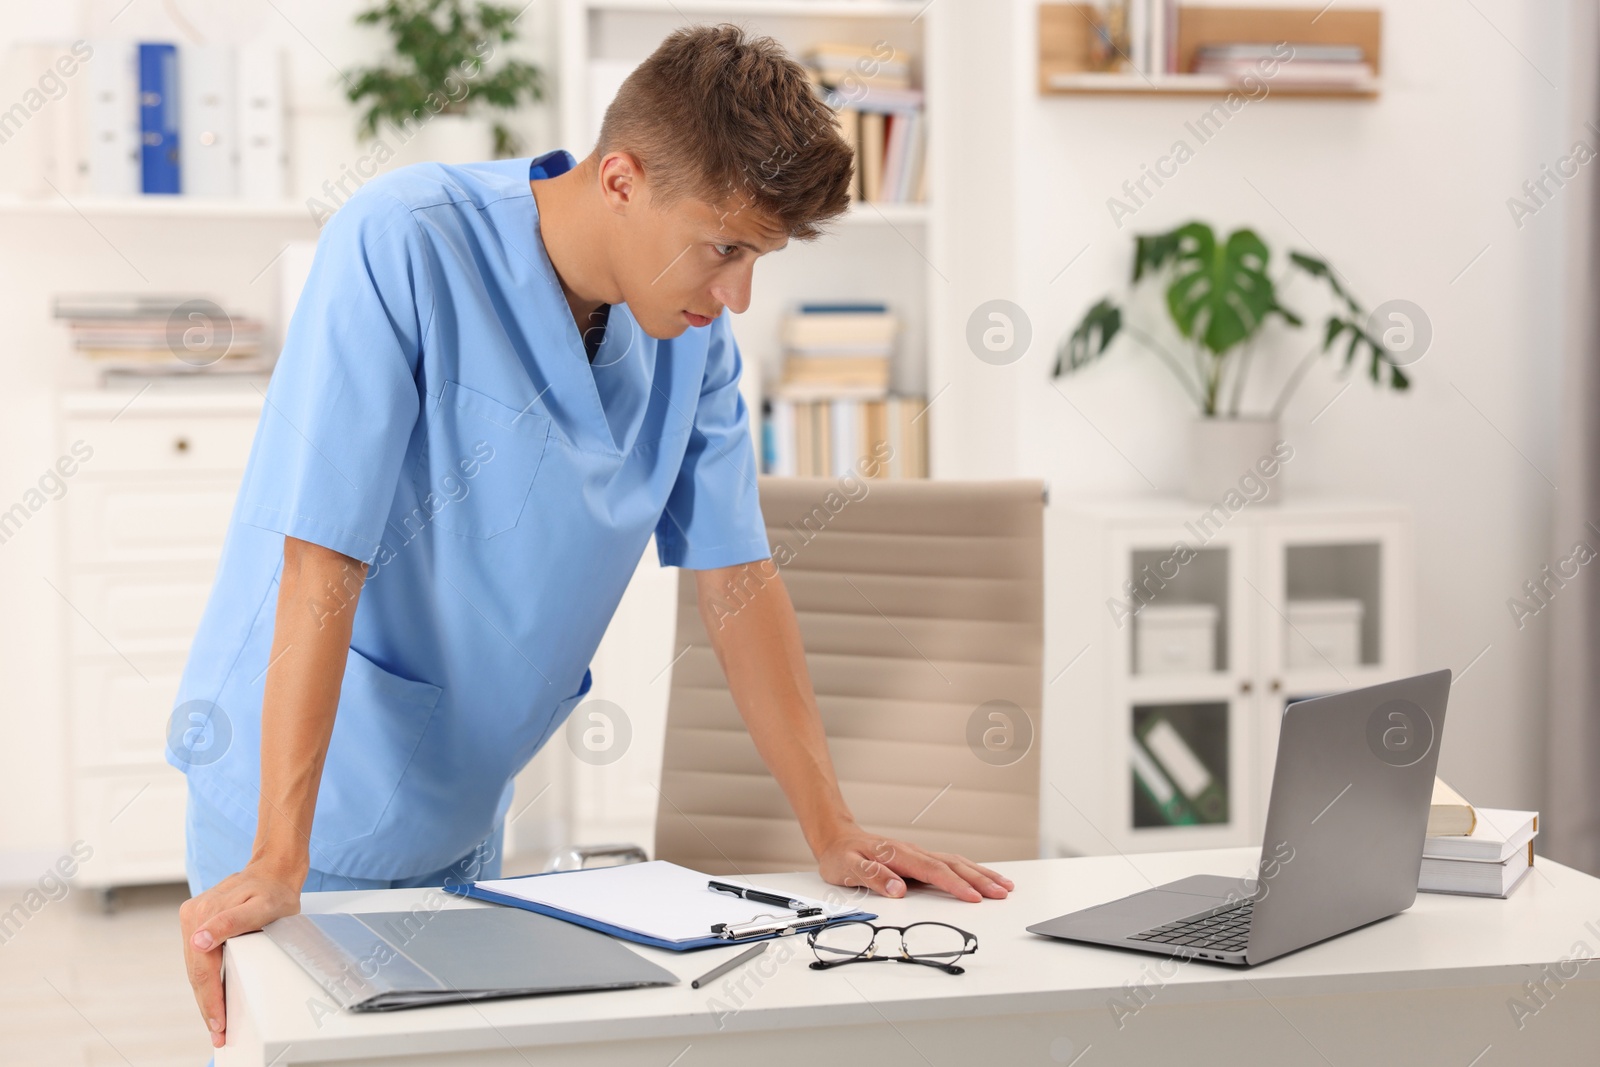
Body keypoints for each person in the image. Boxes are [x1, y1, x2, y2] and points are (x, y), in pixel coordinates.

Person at [173, 24, 1013, 1050]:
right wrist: (275, 854)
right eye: (726, 248)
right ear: (620, 179)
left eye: (759, 256)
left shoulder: (688, 343)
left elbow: (737, 577)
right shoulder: (406, 240)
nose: (737, 294)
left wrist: (830, 828)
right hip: (304, 799)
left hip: (462, 806)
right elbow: (321, 558)